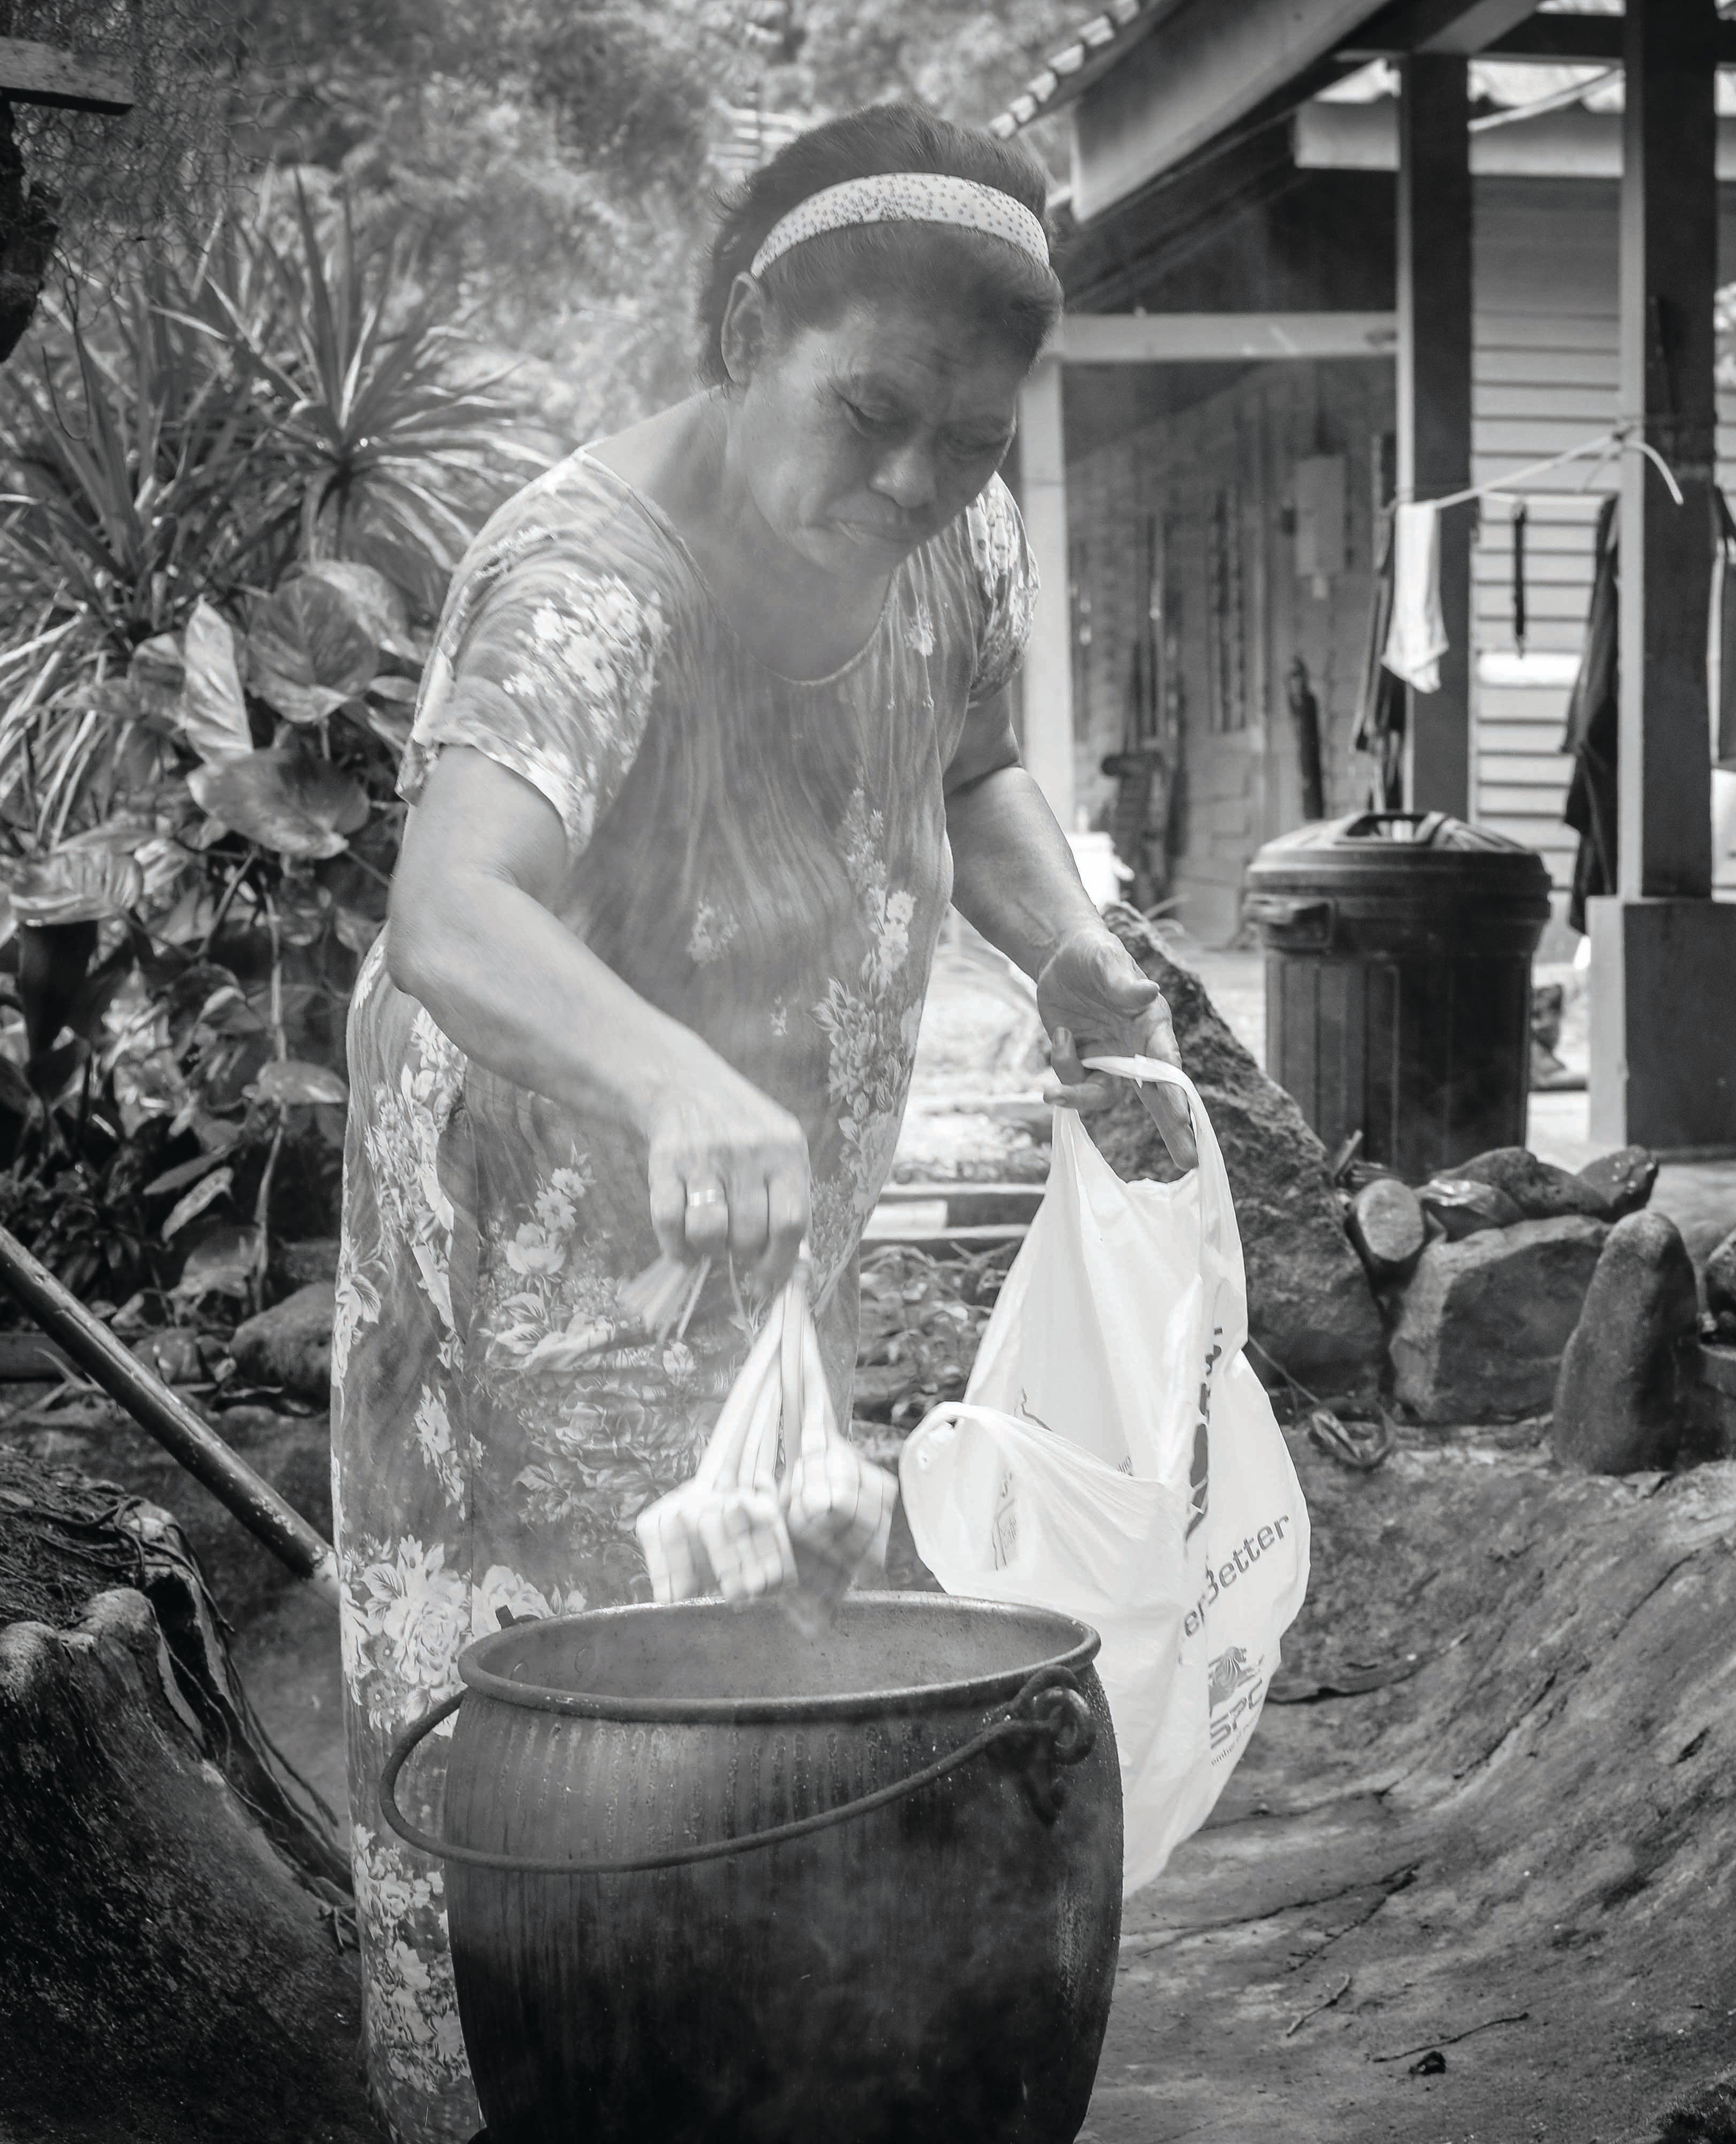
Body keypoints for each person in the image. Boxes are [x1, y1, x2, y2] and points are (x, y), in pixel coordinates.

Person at [333, 106, 1190, 2142]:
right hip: (521, 1253)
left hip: (756, 1217)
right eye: (869, 415)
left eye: (964, 440)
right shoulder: (588, 586)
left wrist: (1065, 949)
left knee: (769, 1735)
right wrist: (669, 1079)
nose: (910, 483)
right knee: (543, 1776)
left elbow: (968, 763)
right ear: (743, 335)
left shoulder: (949, 528)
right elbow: (452, 911)